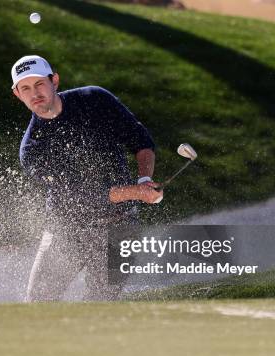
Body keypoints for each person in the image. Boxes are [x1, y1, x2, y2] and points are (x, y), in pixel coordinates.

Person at [11, 55, 163, 302]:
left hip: (121, 228)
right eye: (25, 88)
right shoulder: (32, 150)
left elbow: (141, 141)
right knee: (38, 304)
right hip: (66, 231)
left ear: (55, 81)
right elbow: (85, 195)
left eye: (39, 84)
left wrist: (144, 179)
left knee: (100, 305)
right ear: (17, 94)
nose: (34, 93)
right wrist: (136, 193)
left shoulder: (95, 100)